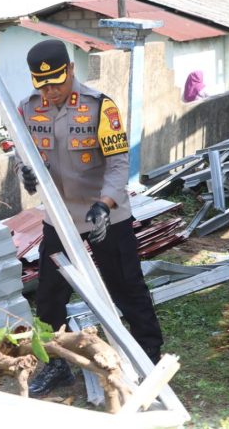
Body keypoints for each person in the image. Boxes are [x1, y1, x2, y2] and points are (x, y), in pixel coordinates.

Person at [14, 39, 164, 397]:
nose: (50, 92)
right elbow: (24, 154)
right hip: (59, 218)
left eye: (57, 82)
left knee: (126, 289)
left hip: (105, 217)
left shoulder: (100, 107)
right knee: (50, 297)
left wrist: (106, 203)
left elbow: (117, 163)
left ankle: (149, 362)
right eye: (43, 85)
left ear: (71, 70)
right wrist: (26, 172)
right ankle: (57, 365)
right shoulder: (27, 109)